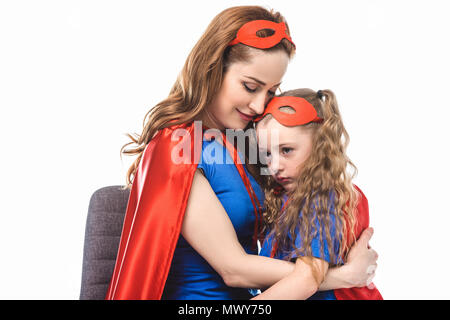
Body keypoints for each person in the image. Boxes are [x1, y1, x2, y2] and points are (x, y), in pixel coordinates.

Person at [106, 6, 378, 300]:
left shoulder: (248, 144)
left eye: (271, 92)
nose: (260, 107)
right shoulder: (178, 147)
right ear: (212, 69)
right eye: (250, 87)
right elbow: (234, 269)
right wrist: (344, 276)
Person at [252, 88, 383, 299]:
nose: (274, 166)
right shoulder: (289, 197)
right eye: (267, 154)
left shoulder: (321, 199)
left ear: (320, 146)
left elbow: (306, 282)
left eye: (286, 150)